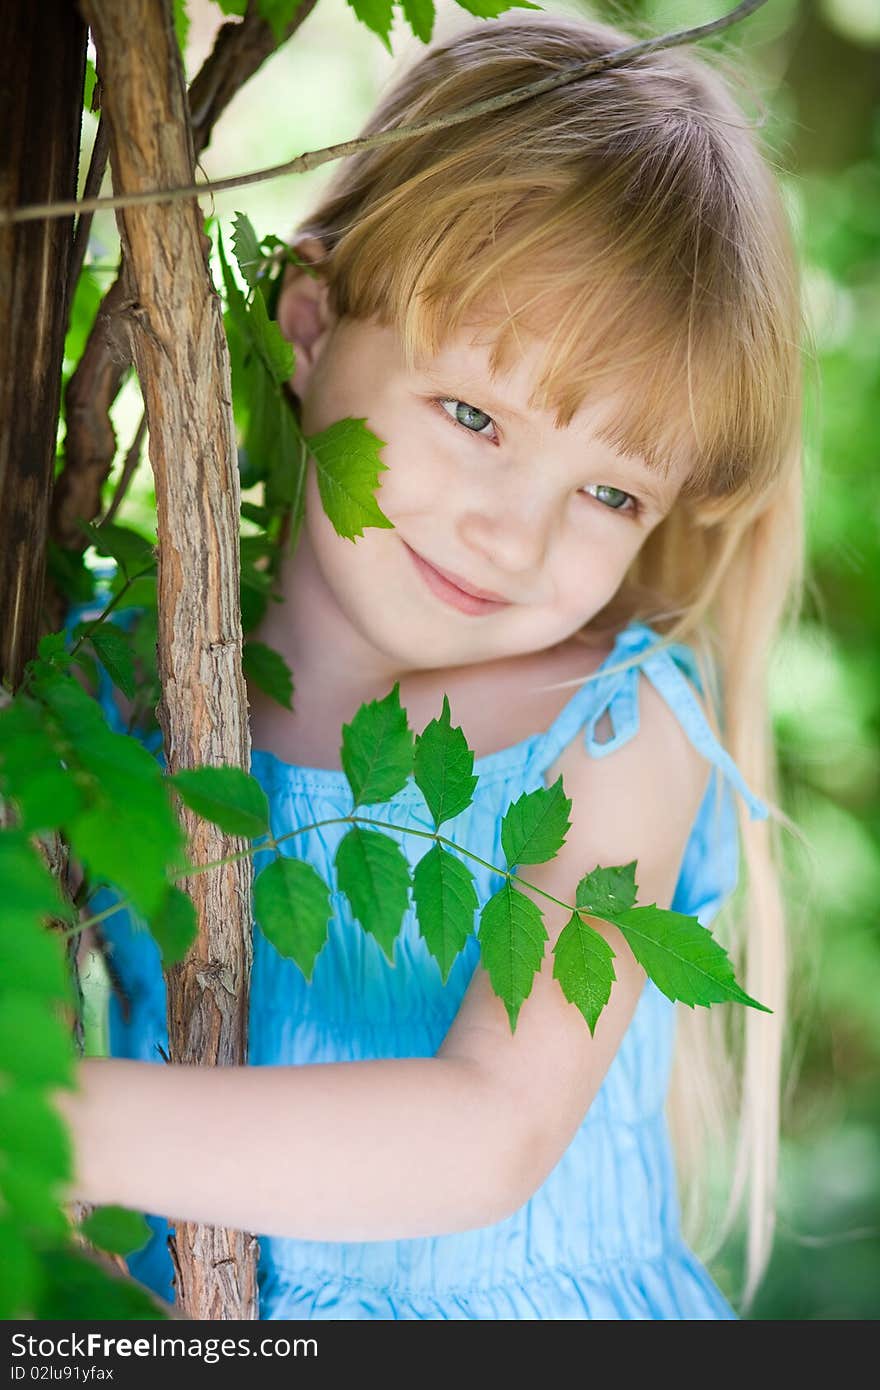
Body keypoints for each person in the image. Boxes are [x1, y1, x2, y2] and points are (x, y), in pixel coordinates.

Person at [57, 11, 805, 1320]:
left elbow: (483, 1135)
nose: (514, 534)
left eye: (613, 493)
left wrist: (47, 1119)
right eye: (474, 416)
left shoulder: (616, 732)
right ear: (308, 326)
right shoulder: (108, 685)